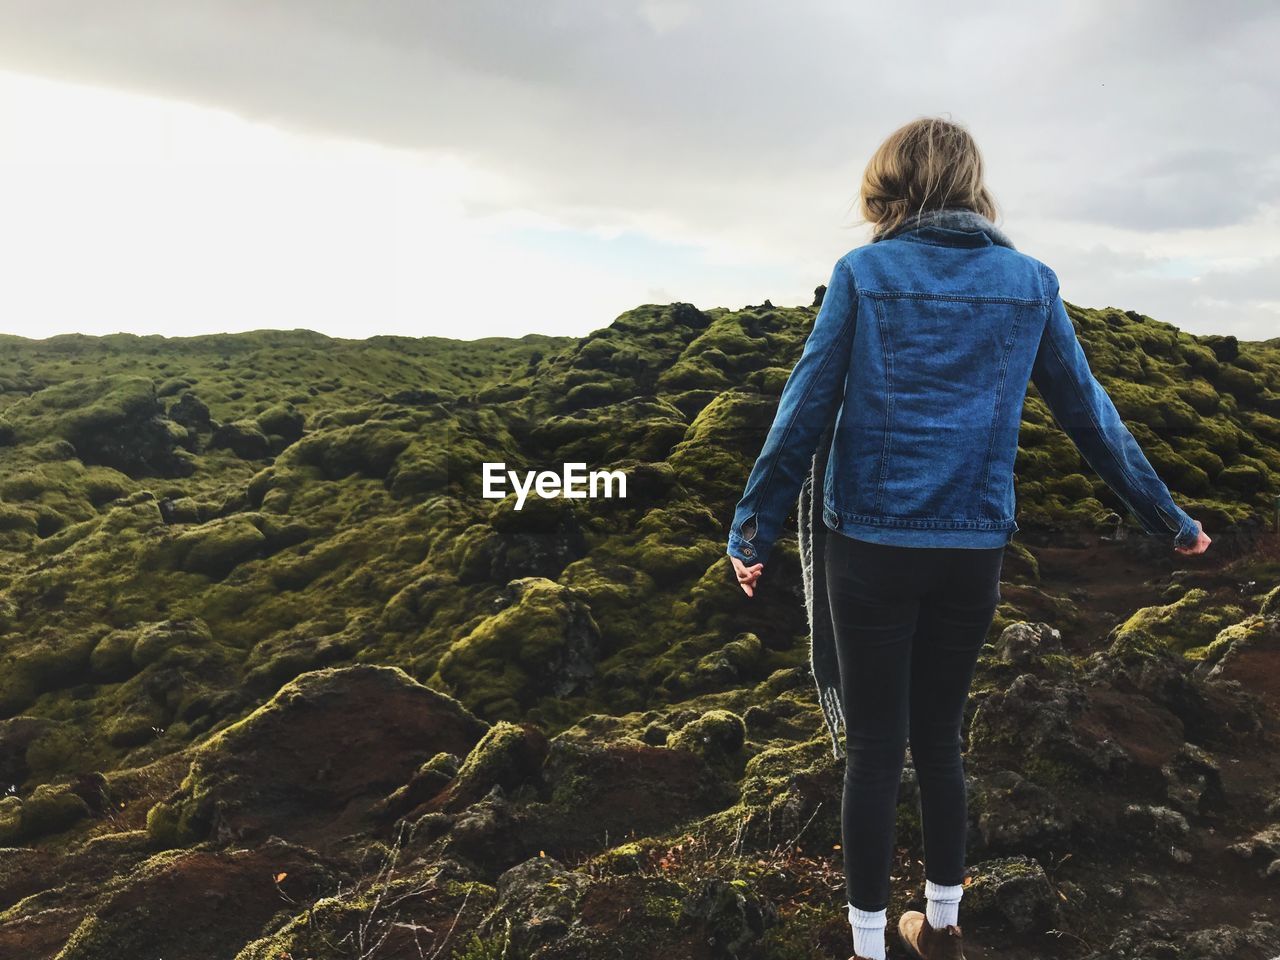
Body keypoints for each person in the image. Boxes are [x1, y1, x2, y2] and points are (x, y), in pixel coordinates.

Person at [723, 116, 1212, 960]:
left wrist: (755, 529)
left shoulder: (865, 273)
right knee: (941, 740)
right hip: (972, 548)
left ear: (892, 184)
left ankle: (871, 947)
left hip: (871, 546)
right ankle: (943, 927)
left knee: (876, 751)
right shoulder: (1029, 282)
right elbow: (1089, 416)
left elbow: (803, 408)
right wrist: (1170, 520)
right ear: (973, 186)